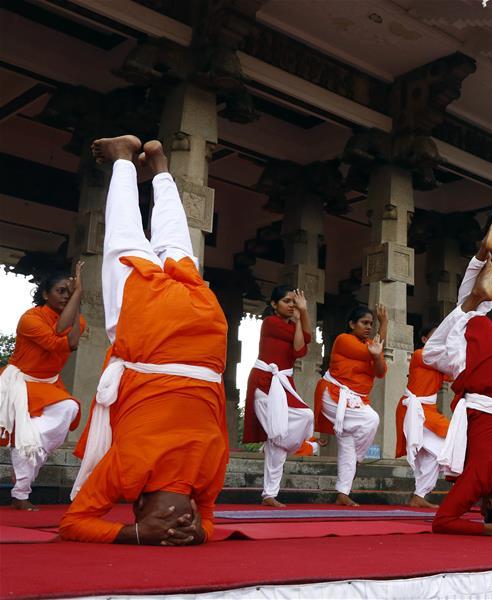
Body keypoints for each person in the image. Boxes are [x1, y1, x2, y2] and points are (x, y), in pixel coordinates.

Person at [59, 135, 228, 545]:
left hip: (206, 333)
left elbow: (207, 518)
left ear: (137, 506)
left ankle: (161, 170)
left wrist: (162, 533)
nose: (180, 523)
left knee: (178, 250)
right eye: (184, 525)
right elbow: (75, 523)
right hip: (152, 339)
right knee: (126, 240)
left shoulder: (207, 476)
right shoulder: (130, 471)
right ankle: (123, 161)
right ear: (135, 503)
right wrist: (138, 534)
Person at [423, 207, 492, 536]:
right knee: (431, 352)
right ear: (487, 506)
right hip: (483, 384)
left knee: (473, 319)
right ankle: (476, 294)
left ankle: (484, 258)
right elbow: (443, 522)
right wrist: (491, 530)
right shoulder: (482, 477)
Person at [0, 266, 86, 510]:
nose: (67, 296)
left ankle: (21, 487)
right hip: (18, 384)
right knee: (29, 436)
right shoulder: (31, 319)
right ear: (45, 294)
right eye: (61, 291)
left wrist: (77, 297)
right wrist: (79, 291)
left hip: (49, 386)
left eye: (70, 292)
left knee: (65, 410)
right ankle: (21, 494)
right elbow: (58, 334)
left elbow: (72, 342)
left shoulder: (79, 321)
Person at [242, 285, 314, 507]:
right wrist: (302, 315)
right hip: (265, 381)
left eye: (294, 301)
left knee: (305, 416)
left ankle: (269, 493)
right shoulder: (270, 323)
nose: (292, 305)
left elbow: (300, 348)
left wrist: (302, 315)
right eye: (286, 301)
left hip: (283, 383)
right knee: (277, 435)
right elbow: (303, 341)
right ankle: (270, 494)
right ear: (274, 305)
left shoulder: (294, 326)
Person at [314, 304, 387, 506]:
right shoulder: (344, 340)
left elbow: (380, 371)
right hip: (334, 394)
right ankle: (357, 461)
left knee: (348, 442)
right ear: (351, 324)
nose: (369, 327)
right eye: (364, 323)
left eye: (371, 324)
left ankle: (342, 493)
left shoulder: (371, 346)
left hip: (354, 400)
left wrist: (378, 347)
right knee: (372, 419)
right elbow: (369, 353)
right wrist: (384, 328)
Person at [395, 323, 451, 508]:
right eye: (436, 336)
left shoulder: (438, 362)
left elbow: (455, 371)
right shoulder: (420, 355)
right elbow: (449, 364)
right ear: (424, 340)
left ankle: (419, 495)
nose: (440, 340)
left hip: (426, 412)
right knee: (444, 446)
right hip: (414, 411)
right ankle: (419, 495)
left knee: (429, 456)